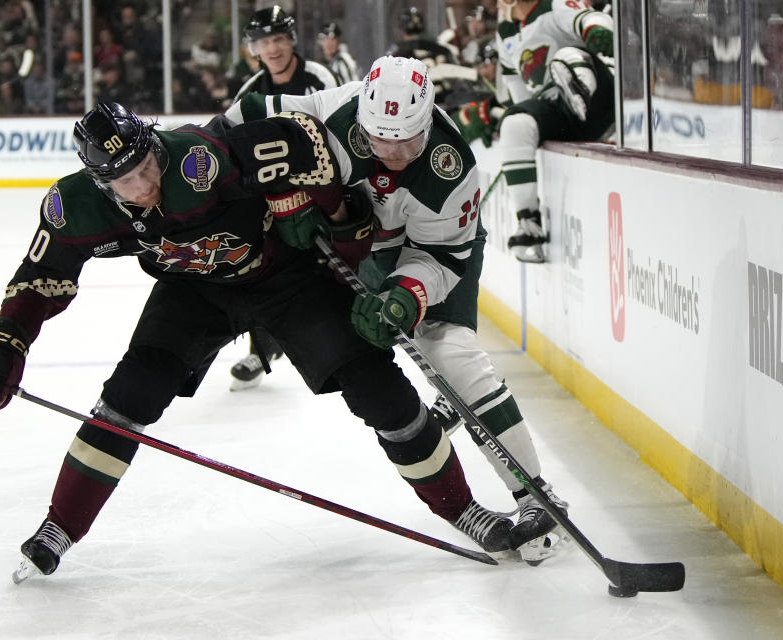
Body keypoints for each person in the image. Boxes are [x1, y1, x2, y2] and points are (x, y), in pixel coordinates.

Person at [0, 101, 517, 582]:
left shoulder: (200, 159)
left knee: (380, 392)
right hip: (193, 289)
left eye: (148, 163)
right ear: (102, 183)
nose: (147, 182)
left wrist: (319, 208)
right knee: (131, 393)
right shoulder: (73, 206)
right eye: (128, 180)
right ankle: (61, 525)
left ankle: (464, 509)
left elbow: (302, 136)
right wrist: (5, 342)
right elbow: (37, 280)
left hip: (286, 280)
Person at [225, 56, 569, 564]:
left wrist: (408, 295)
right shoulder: (332, 110)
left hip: (429, 249)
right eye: (379, 139)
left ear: (428, 119)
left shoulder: (450, 167)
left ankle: (537, 494)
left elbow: (442, 256)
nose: (390, 153)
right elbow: (243, 117)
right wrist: (281, 193)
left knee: (453, 353)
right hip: (358, 242)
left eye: (405, 141)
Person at [229, 5, 339, 390]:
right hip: (274, 198)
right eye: (263, 42)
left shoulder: (320, 77)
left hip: (324, 186)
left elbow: (343, 126)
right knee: (264, 264)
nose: (272, 48)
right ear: (254, 48)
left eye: (277, 39)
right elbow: (227, 140)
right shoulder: (250, 91)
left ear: (290, 40)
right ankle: (262, 348)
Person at [466, 0, 615, 263]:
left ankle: (580, 98)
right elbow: (520, 94)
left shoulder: (555, 4)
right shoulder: (506, 33)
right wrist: (519, 116)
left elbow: (593, 20)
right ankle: (528, 223)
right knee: (515, 123)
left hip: (603, 98)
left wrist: (597, 31)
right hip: (560, 112)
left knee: (567, 58)